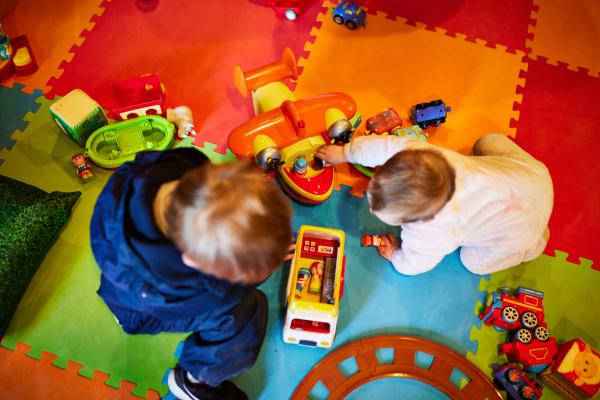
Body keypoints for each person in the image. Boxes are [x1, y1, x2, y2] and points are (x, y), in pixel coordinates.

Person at [90, 148, 292, 400]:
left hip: (121, 272)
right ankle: (195, 380)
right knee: (247, 311)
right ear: (193, 261)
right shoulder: (178, 283)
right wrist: (251, 274)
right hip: (143, 312)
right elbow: (221, 296)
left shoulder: (173, 166)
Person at [316, 133, 553, 275]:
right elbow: (377, 146)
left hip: (522, 230)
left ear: (417, 220)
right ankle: (532, 231)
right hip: (535, 177)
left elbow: (416, 263)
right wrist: (343, 153)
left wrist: (395, 256)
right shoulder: (418, 151)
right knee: (488, 141)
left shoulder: (432, 232)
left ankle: (534, 246)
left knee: (473, 263)